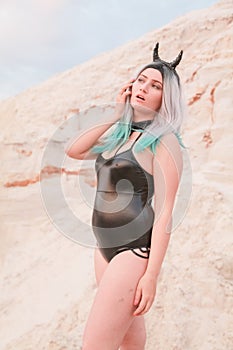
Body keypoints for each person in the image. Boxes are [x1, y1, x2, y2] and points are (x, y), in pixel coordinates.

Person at [66, 42, 186, 350]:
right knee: (131, 340)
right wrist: (116, 114)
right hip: (103, 248)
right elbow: (73, 150)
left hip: (134, 251)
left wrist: (152, 276)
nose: (143, 87)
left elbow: (166, 211)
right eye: (141, 80)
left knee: (94, 345)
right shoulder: (121, 134)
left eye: (155, 85)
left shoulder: (164, 141)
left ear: (165, 98)